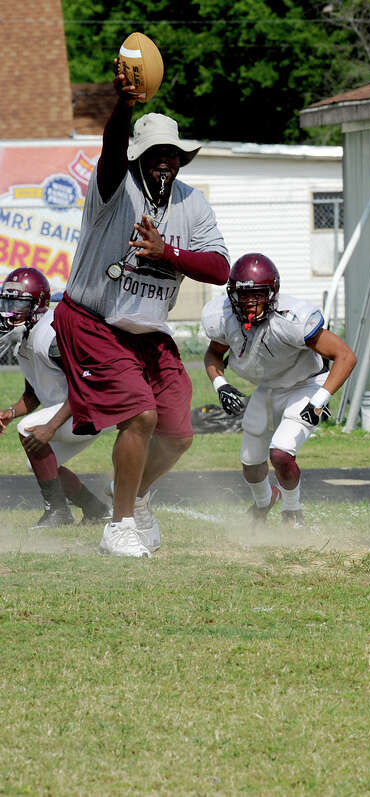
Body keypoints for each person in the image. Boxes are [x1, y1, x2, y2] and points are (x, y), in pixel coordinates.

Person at [52, 60, 230, 557]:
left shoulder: (191, 203)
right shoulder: (115, 185)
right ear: (138, 157)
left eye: (171, 155)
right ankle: (119, 525)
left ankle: (136, 494)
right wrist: (124, 106)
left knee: (178, 432)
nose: (163, 162)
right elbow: (111, 149)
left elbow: (219, 269)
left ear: (181, 159)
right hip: (92, 320)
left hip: (147, 331)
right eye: (153, 154)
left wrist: (167, 252)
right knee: (141, 416)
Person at [202, 254, 356, 528]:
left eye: (257, 294)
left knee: (281, 452)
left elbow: (345, 356)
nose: (249, 302)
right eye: (243, 295)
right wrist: (220, 384)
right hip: (270, 386)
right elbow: (213, 353)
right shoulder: (223, 316)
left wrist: (321, 399)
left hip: (305, 384)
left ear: (272, 293)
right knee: (250, 463)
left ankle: (292, 511)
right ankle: (264, 501)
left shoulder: (292, 318)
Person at [0, 268, 108, 527]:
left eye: (18, 303)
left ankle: (58, 512)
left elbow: (84, 387)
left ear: (38, 305)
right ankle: (96, 509)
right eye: (6, 301)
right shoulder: (25, 335)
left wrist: (49, 426)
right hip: (70, 412)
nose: (8, 310)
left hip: (89, 410)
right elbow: (33, 394)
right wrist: (11, 412)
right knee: (36, 462)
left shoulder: (52, 335)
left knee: (29, 431)